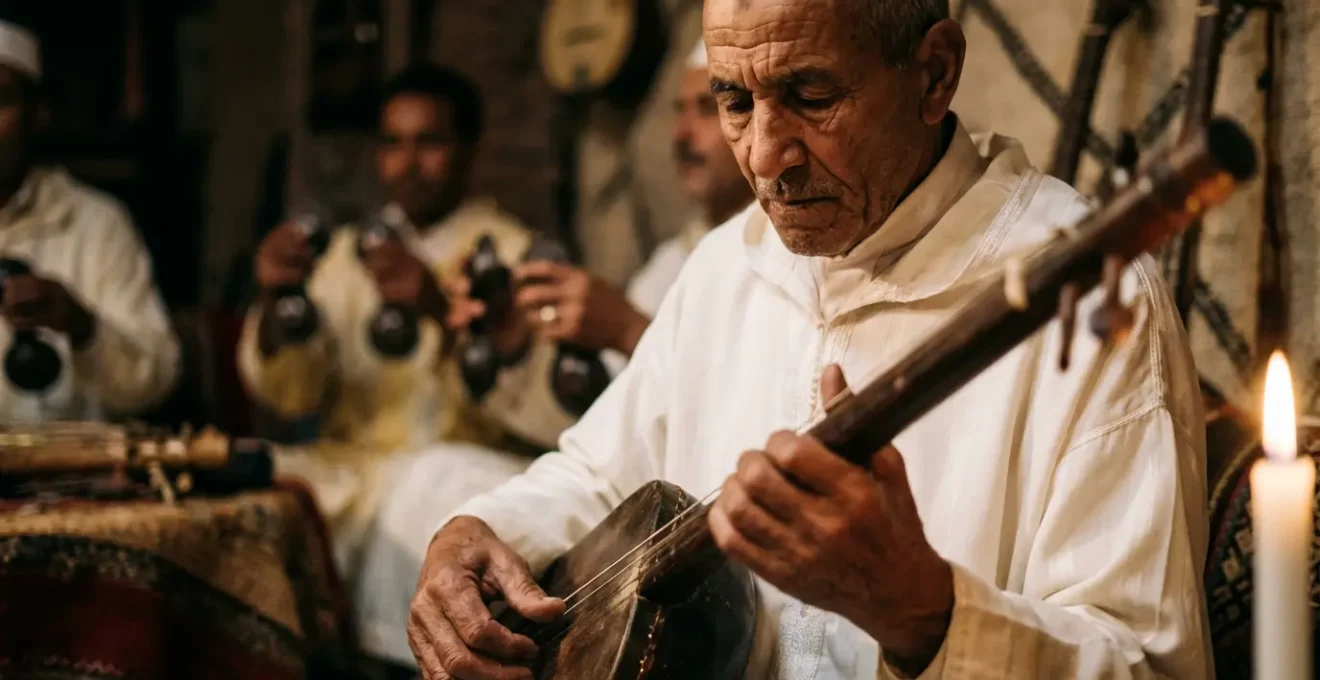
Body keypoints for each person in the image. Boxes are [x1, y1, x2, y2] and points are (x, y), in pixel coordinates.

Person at [408, 0, 1212, 678]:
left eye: (810, 93)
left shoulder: (1089, 302)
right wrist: (480, 532)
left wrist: (927, 612)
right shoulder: (728, 263)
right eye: (733, 99)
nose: (764, 157)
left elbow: (1145, 663)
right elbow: (596, 474)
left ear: (934, 73)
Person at [237, 65, 574, 667]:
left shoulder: (515, 254)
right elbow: (292, 397)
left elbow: (552, 415)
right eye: (393, 143)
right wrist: (273, 305)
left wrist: (440, 311)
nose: (408, 163)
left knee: (441, 493)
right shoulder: (344, 254)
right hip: (350, 475)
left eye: (430, 142)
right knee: (242, 492)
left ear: (472, 151)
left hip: (459, 471)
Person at [512, 40, 752, 367]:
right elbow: (607, 404)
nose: (681, 134)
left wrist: (629, 330)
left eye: (708, 109)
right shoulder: (671, 261)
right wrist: (511, 342)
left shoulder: (786, 253)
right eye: (679, 111)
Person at [0, 17, 179, 423]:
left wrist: (82, 327)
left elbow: (154, 383)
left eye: (0, 100)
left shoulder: (96, 224)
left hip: (69, 476)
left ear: (37, 115)